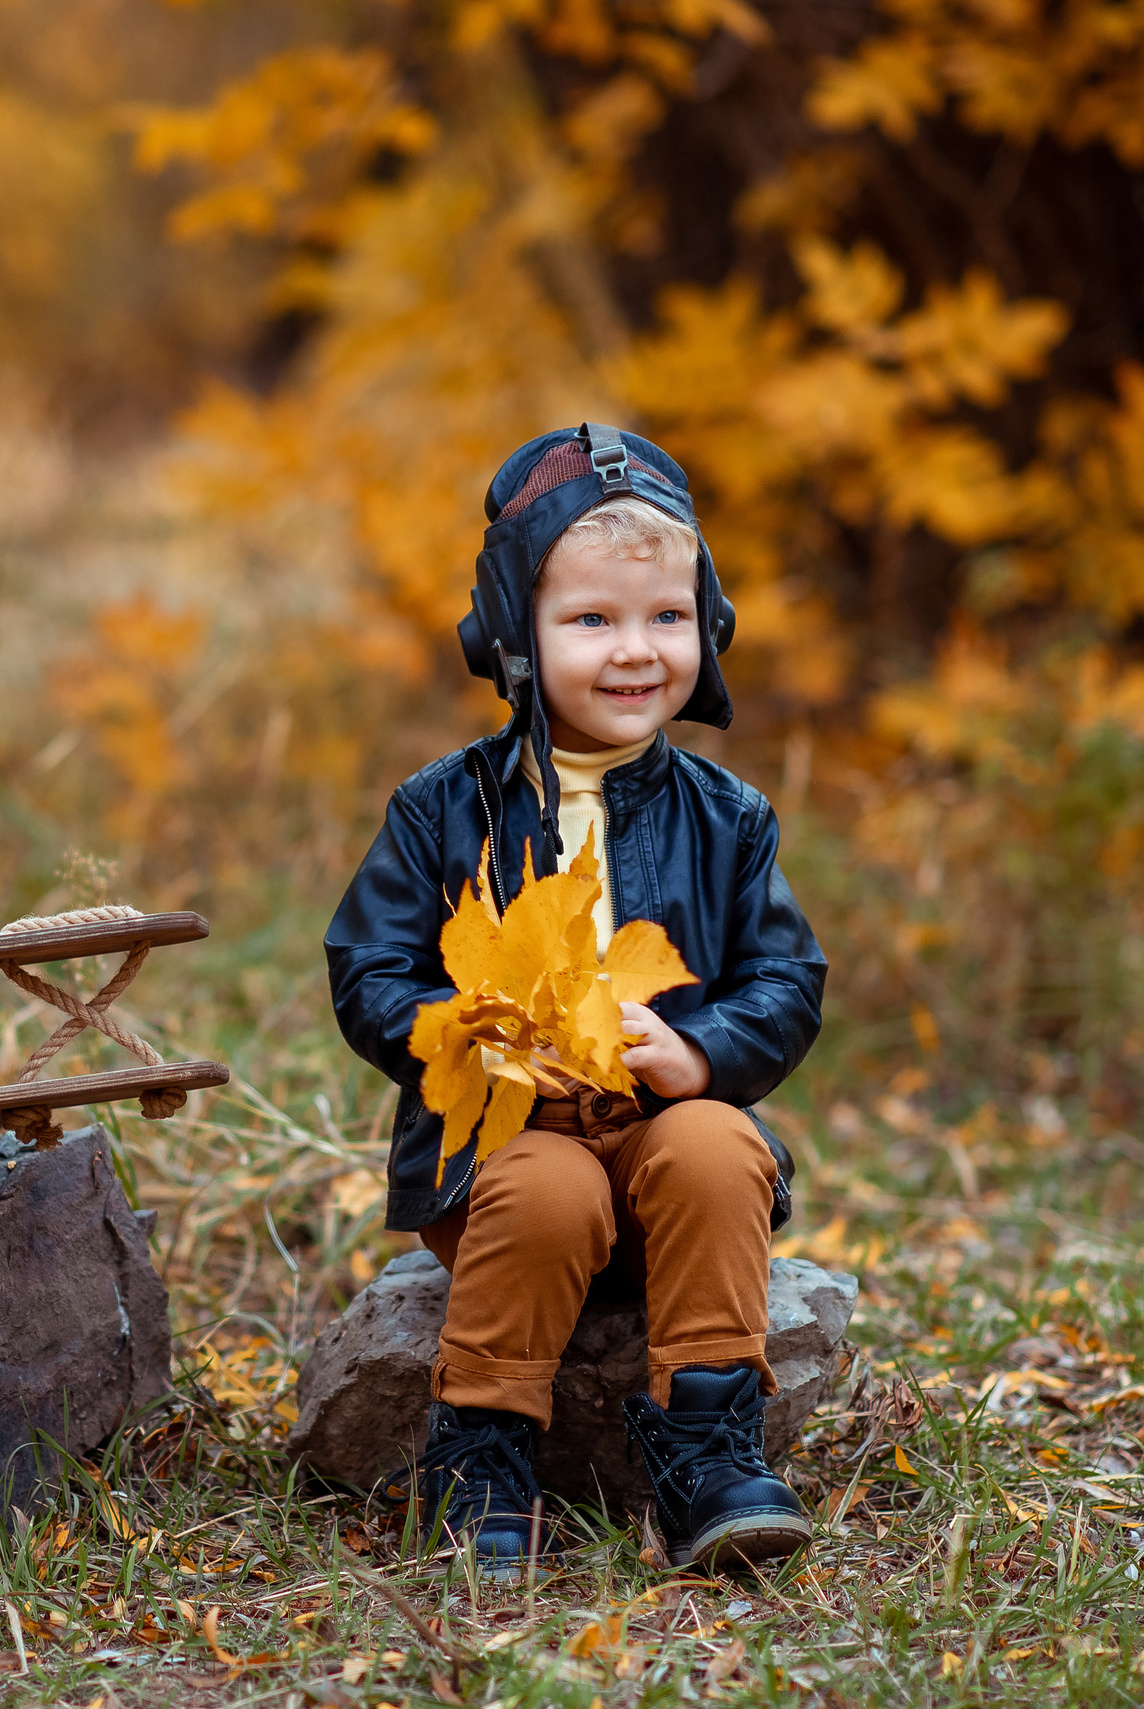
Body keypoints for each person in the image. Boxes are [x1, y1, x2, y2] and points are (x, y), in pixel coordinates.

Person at [324, 424, 828, 1573]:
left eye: (664, 617)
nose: (634, 651)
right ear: (514, 634)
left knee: (715, 1146)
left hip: (656, 1127)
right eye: (591, 620)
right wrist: (469, 1037)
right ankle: (483, 1446)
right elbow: (369, 968)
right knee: (545, 1188)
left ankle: (708, 1445)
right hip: (503, 1141)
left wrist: (700, 1050)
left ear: (709, 626)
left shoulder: (728, 817)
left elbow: (788, 977)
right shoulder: (440, 808)